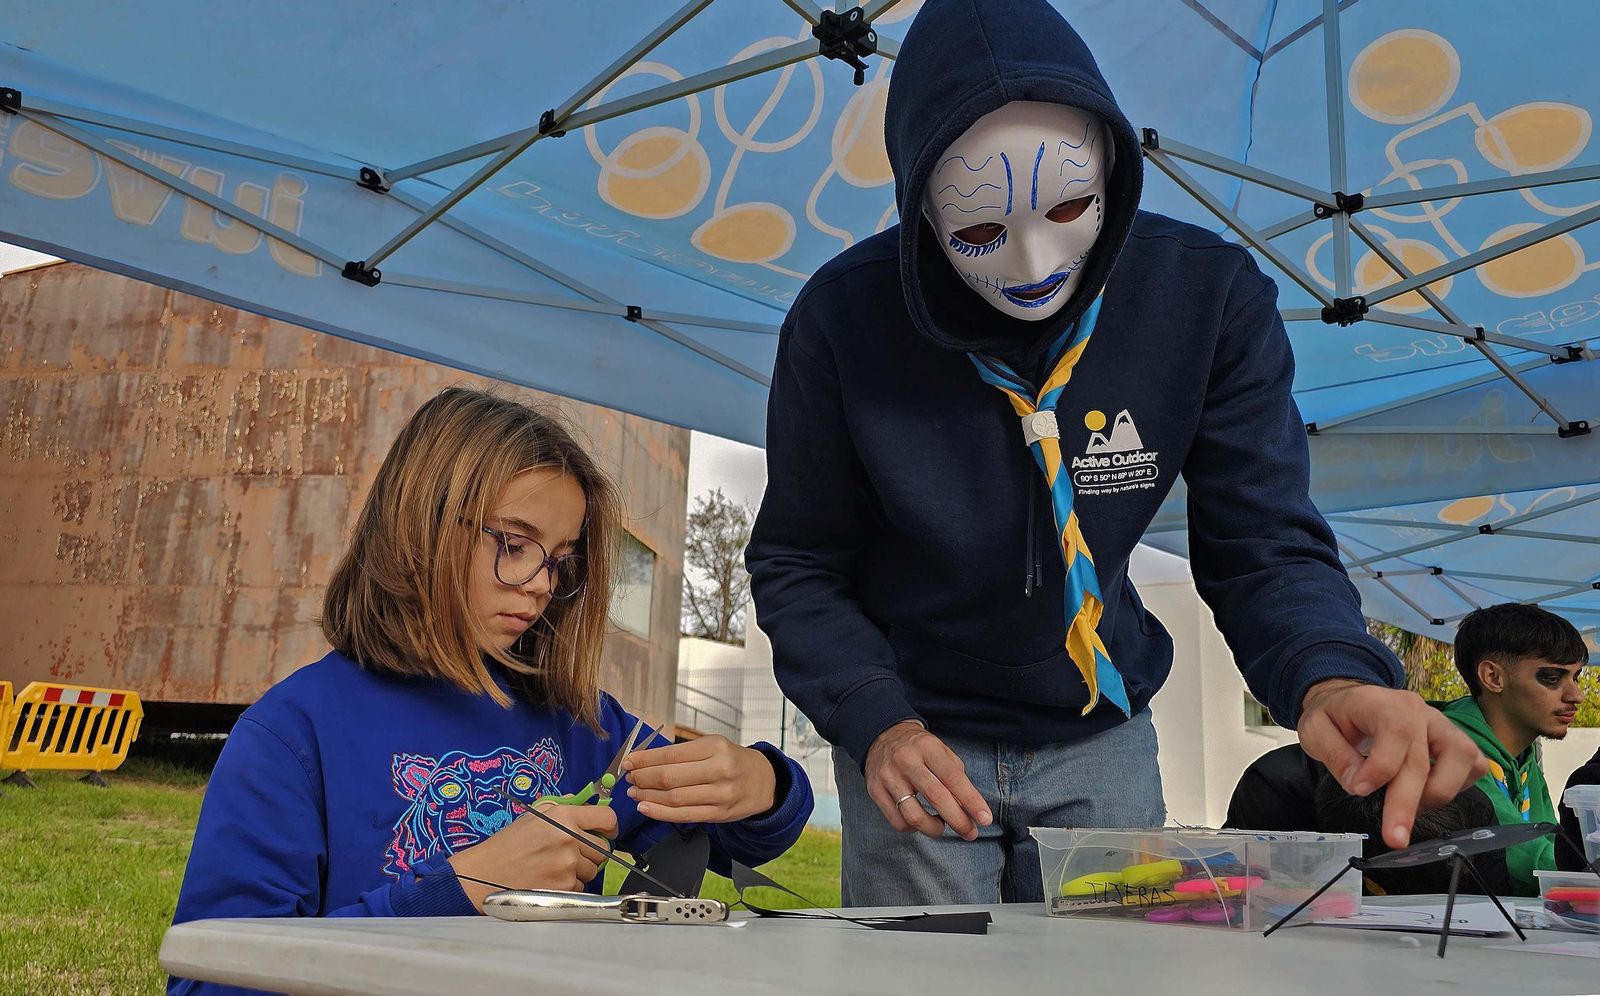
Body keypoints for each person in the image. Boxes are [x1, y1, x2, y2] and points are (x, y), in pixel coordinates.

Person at [746, 0, 1483, 907]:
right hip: (916, 735)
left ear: (1112, 166)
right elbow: (799, 559)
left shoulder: (1205, 299)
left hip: (1103, 729)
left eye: (1069, 207)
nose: (1032, 262)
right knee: (921, 975)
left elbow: (1262, 537)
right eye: (978, 232)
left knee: (1111, 970)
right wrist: (876, 720)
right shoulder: (842, 319)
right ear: (918, 208)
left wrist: (1327, 671)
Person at [169, 388, 812, 994]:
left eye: (559, 559)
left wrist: (763, 786)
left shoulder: (579, 725)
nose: (538, 583)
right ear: (417, 524)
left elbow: (728, 842)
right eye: (513, 543)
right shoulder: (291, 736)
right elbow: (212, 979)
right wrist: (462, 888)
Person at [1305, 603, 1587, 895]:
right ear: (1492, 677)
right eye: (1553, 678)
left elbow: (1554, 848)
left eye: (1576, 677)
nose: (1576, 695)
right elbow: (1532, 864)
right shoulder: (1441, 753)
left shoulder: (1523, 761)